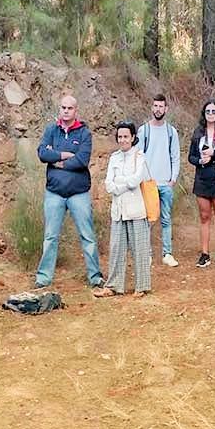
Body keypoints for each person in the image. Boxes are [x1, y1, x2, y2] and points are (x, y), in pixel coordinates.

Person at [35, 95, 103, 289]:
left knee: (87, 236)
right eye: (63, 107)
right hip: (54, 193)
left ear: (76, 111)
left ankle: (95, 277)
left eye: (69, 108)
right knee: (50, 237)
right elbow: (42, 154)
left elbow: (82, 159)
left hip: (78, 193)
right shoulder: (51, 130)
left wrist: (56, 161)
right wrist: (64, 155)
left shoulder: (84, 134)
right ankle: (43, 278)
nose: (66, 111)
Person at [93, 122, 153, 298]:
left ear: (133, 137)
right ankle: (113, 286)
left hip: (136, 209)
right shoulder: (114, 158)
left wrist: (120, 182)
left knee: (139, 248)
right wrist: (122, 184)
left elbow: (136, 180)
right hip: (118, 210)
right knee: (116, 248)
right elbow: (108, 184)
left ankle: (141, 286)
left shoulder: (140, 156)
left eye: (126, 136)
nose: (123, 140)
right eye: (120, 136)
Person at [188, 99, 215, 268]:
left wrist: (214, 153)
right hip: (202, 177)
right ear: (204, 114)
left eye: (214, 111)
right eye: (208, 111)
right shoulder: (198, 132)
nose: (211, 114)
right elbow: (191, 156)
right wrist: (200, 160)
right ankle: (205, 254)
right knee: (204, 217)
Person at [138, 94, 181, 267]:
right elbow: (138, 156)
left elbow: (175, 156)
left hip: (166, 183)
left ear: (166, 109)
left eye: (161, 106)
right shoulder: (144, 131)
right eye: (155, 106)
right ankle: (146, 254)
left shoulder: (171, 132)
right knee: (148, 219)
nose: (158, 109)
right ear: (151, 107)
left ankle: (167, 253)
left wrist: (173, 179)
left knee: (166, 218)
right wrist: (142, 179)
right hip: (149, 183)